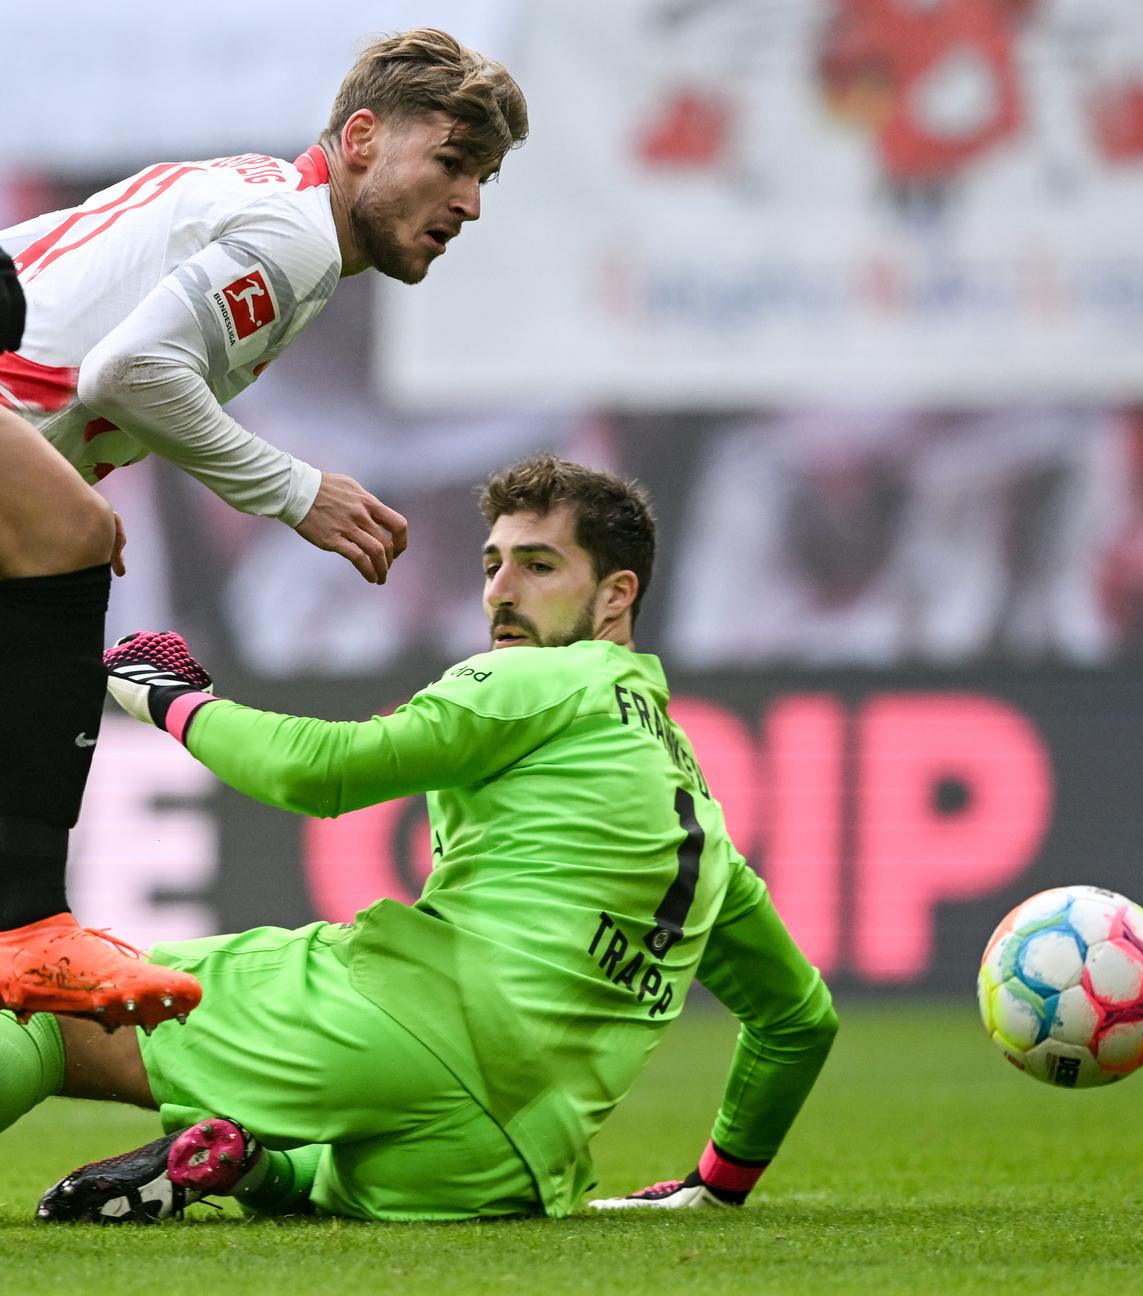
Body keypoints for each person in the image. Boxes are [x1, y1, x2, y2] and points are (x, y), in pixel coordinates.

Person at [6, 454, 837, 1223]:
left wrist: (171, 702)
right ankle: (254, 1167)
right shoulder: (701, 813)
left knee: (50, 997)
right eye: (491, 564)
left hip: (404, 1026)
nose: (502, 591)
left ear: (617, 596)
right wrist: (716, 1188)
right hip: (508, 1156)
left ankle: (253, 1138)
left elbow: (322, 772)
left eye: (539, 565)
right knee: (320, 1178)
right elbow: (799, 1020)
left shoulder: (549, 677)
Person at [0, 27, 529, 585]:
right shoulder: (301, 236)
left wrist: (53, 489)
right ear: (362, 138)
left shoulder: (244, 184)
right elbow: (129, 372)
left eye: (481, 178)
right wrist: (298, 491)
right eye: (450, 163)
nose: (470, 204)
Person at [0, 248, 202, 1029]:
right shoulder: (289, 241)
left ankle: (29, 920)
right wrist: (295, 493)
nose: (469, 204)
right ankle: (27, 920)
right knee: (68, 528)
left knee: (66, 527)